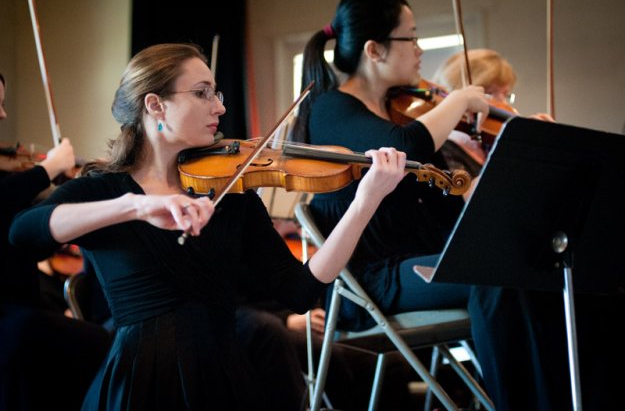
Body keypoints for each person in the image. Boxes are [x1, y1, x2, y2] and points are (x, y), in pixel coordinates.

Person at [9, 43, 407, 410]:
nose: (219, 107)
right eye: (202, 93)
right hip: (141, 383)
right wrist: (132, 207)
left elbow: (301, 290)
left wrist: (365, 201)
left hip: (224, 379)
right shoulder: (107, 191)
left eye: (216, 93)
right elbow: (24, 233)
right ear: (155, 104)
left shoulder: (230, 193)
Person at [433, 50, 625, 410]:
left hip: (532, 256)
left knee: (601, 280)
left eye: (507, 94)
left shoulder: (497, 143)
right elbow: (476, 218)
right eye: (492, 93)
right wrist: (510, 160)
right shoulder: (442, 151)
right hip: (481, 263)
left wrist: (547, 155)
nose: (504, 105)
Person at [291, 0, 488, 335]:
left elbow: (447, 198)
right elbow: (403, 147)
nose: (419, 49)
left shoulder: (400, 111)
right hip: (373, 281)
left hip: (422, 261)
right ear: (374, 50)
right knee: (493, 280)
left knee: (523, 272)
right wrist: (459, 99)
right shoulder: (330, 109)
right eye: (410, 37)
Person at [0, 73, 112, 410]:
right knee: (96, 344)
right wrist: (47, 169)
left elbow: (24, 237)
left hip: (22, 307)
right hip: (8, 316)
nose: (3, 114)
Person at [432, 48, 554, 176]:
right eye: (489, 93)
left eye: (505, 94)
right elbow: (464, 195)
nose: (503, 104)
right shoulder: (444, 146)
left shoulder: (487, 142)